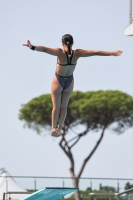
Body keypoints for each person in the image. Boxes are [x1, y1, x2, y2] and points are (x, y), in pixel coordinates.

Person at [23, 34, 122, 138]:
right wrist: (112, 53)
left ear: (62, 43)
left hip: (58, 80)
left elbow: (44, 49)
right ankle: (59, 128)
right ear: (73, 43)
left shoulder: (59, 52)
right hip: (69, 81)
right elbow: (96, 52)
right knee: (64, 107)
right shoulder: (77, 53)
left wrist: (32, 47)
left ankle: (53, 128)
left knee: (56, 107)